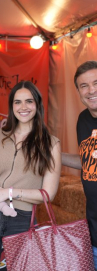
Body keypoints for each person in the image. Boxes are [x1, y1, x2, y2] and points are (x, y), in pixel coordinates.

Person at [0, 80, 61, 271]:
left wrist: (8, 193)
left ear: (37, 104)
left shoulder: (50, 144)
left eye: (29, 101)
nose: (23, 107)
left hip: (23, 220)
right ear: (12, 106)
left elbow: (48, 194)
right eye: (17, 102)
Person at [62, 60, 97, 270]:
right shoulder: (83, 119)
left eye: (96, 83)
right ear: (78, 91)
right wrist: (50, 154)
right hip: (94, 233)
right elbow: (87, 161)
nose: (91, 90)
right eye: (84, 86)